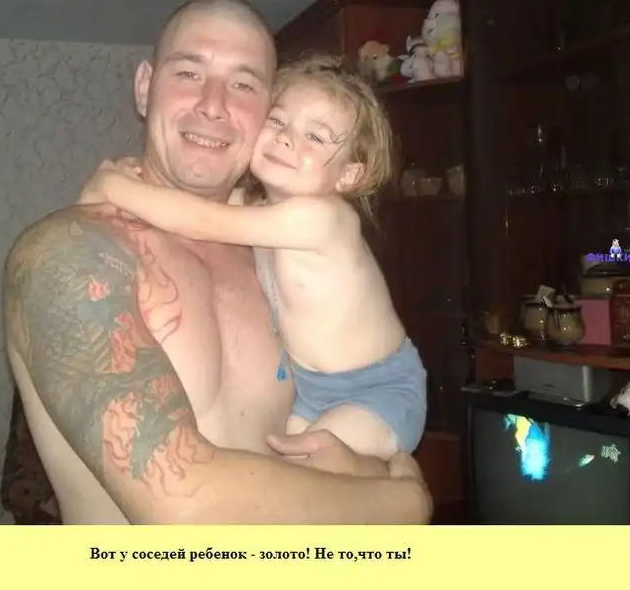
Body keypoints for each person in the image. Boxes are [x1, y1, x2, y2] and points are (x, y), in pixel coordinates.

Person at [2, 0, 433, 524]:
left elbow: (345, 453)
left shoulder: (269, 254)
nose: (213, 104)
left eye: (244, 84)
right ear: (144, 87)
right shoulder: (71, 254)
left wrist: (369, 475)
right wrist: (404, 502)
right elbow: (181, 505)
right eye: (189, 72)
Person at [78, 53, 427, 462]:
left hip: (377, 391)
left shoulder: (324, 219)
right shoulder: (257, 206)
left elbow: (202, 220)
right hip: (309, 390)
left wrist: (112, 187)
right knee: (274, 466)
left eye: (315, 137)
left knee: (302, 474)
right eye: (277, 121)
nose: (286, 138)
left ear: (349, 175)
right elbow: (187, 200)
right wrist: (138, 172)